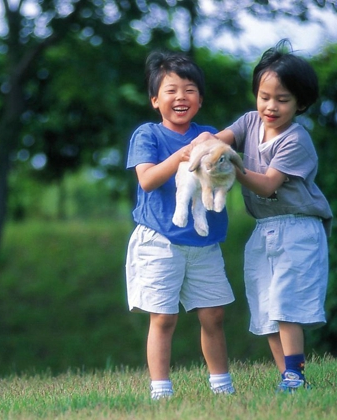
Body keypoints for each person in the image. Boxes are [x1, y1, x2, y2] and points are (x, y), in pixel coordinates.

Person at [202, 39, 332, 393]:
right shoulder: (249, 122)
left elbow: (267, 185)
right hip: (265, 228)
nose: (270, 106)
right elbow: (220, 139)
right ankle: (288, 378)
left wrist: (232, 164)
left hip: (298, 228)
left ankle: (296, 374)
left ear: (301, 104)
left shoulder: (296, 140)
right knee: (267, 307)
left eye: (282, 99)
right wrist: (205, 146)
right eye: (264, 96)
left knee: (287, 303)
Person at [125, 50, 236, 400]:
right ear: (155, 99)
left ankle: (222, 386)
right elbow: (147, 180)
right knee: (163, 318)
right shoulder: (148, 135)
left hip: (204, 240)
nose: (180, 97)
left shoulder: (209, 135)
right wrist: (182, 154)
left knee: (214, 314)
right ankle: (161, 390)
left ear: (200, 100)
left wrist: (213, 149)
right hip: (160, 240)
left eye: (189, 90)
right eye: (171, 90)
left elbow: (226, 162)